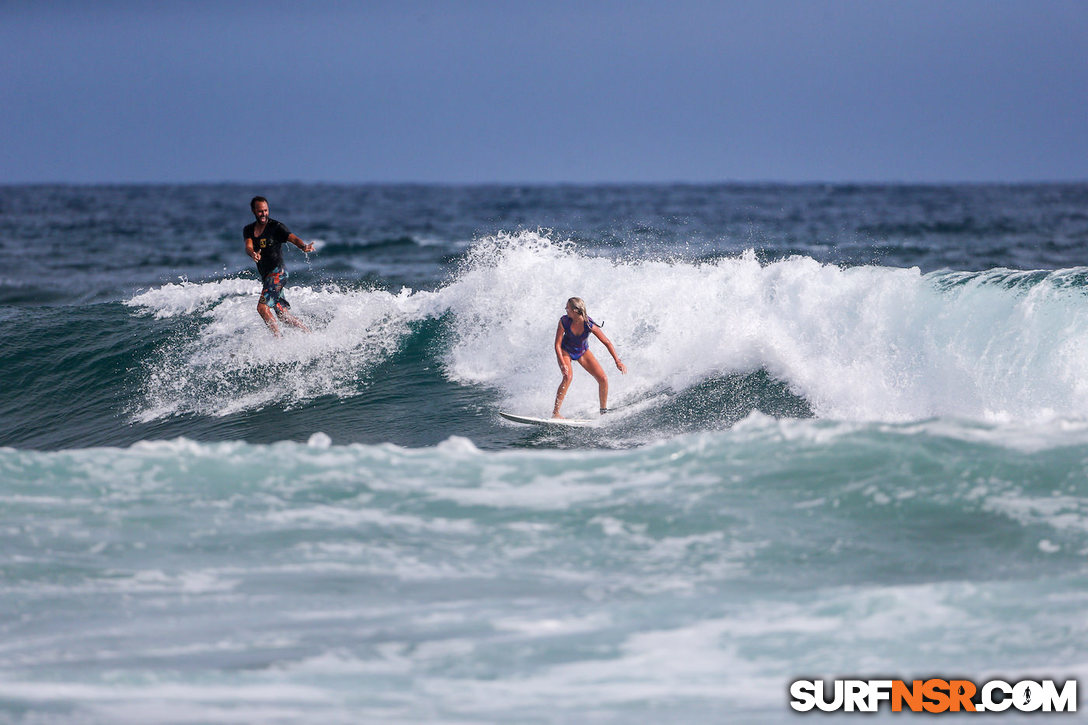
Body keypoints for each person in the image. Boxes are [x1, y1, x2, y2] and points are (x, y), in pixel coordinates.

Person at [243, 196, 315, 336]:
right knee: (283, 316)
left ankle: (278, 341)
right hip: (267, 277)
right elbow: (248, 246)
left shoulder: (276, 227)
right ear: (253, 211)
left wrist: (303, 246)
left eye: (266, 210)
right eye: (260, 211)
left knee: (262, 308)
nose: (263, 214)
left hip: (278, 274)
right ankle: (310, 335)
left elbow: (293, 238)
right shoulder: (249, 229)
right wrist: (252, 254)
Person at [553, 297, 627, 418]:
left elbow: (607, 342)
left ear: (576, 310)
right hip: (565, 350)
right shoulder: (564, 321)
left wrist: (617, 361)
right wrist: (562, 362)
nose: (565, 309)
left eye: (568, 308)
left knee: (603, 378)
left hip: (582, 351)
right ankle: (556, 413)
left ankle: (603, 412)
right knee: (567, 376)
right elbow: (557, 345)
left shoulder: (589, 324)